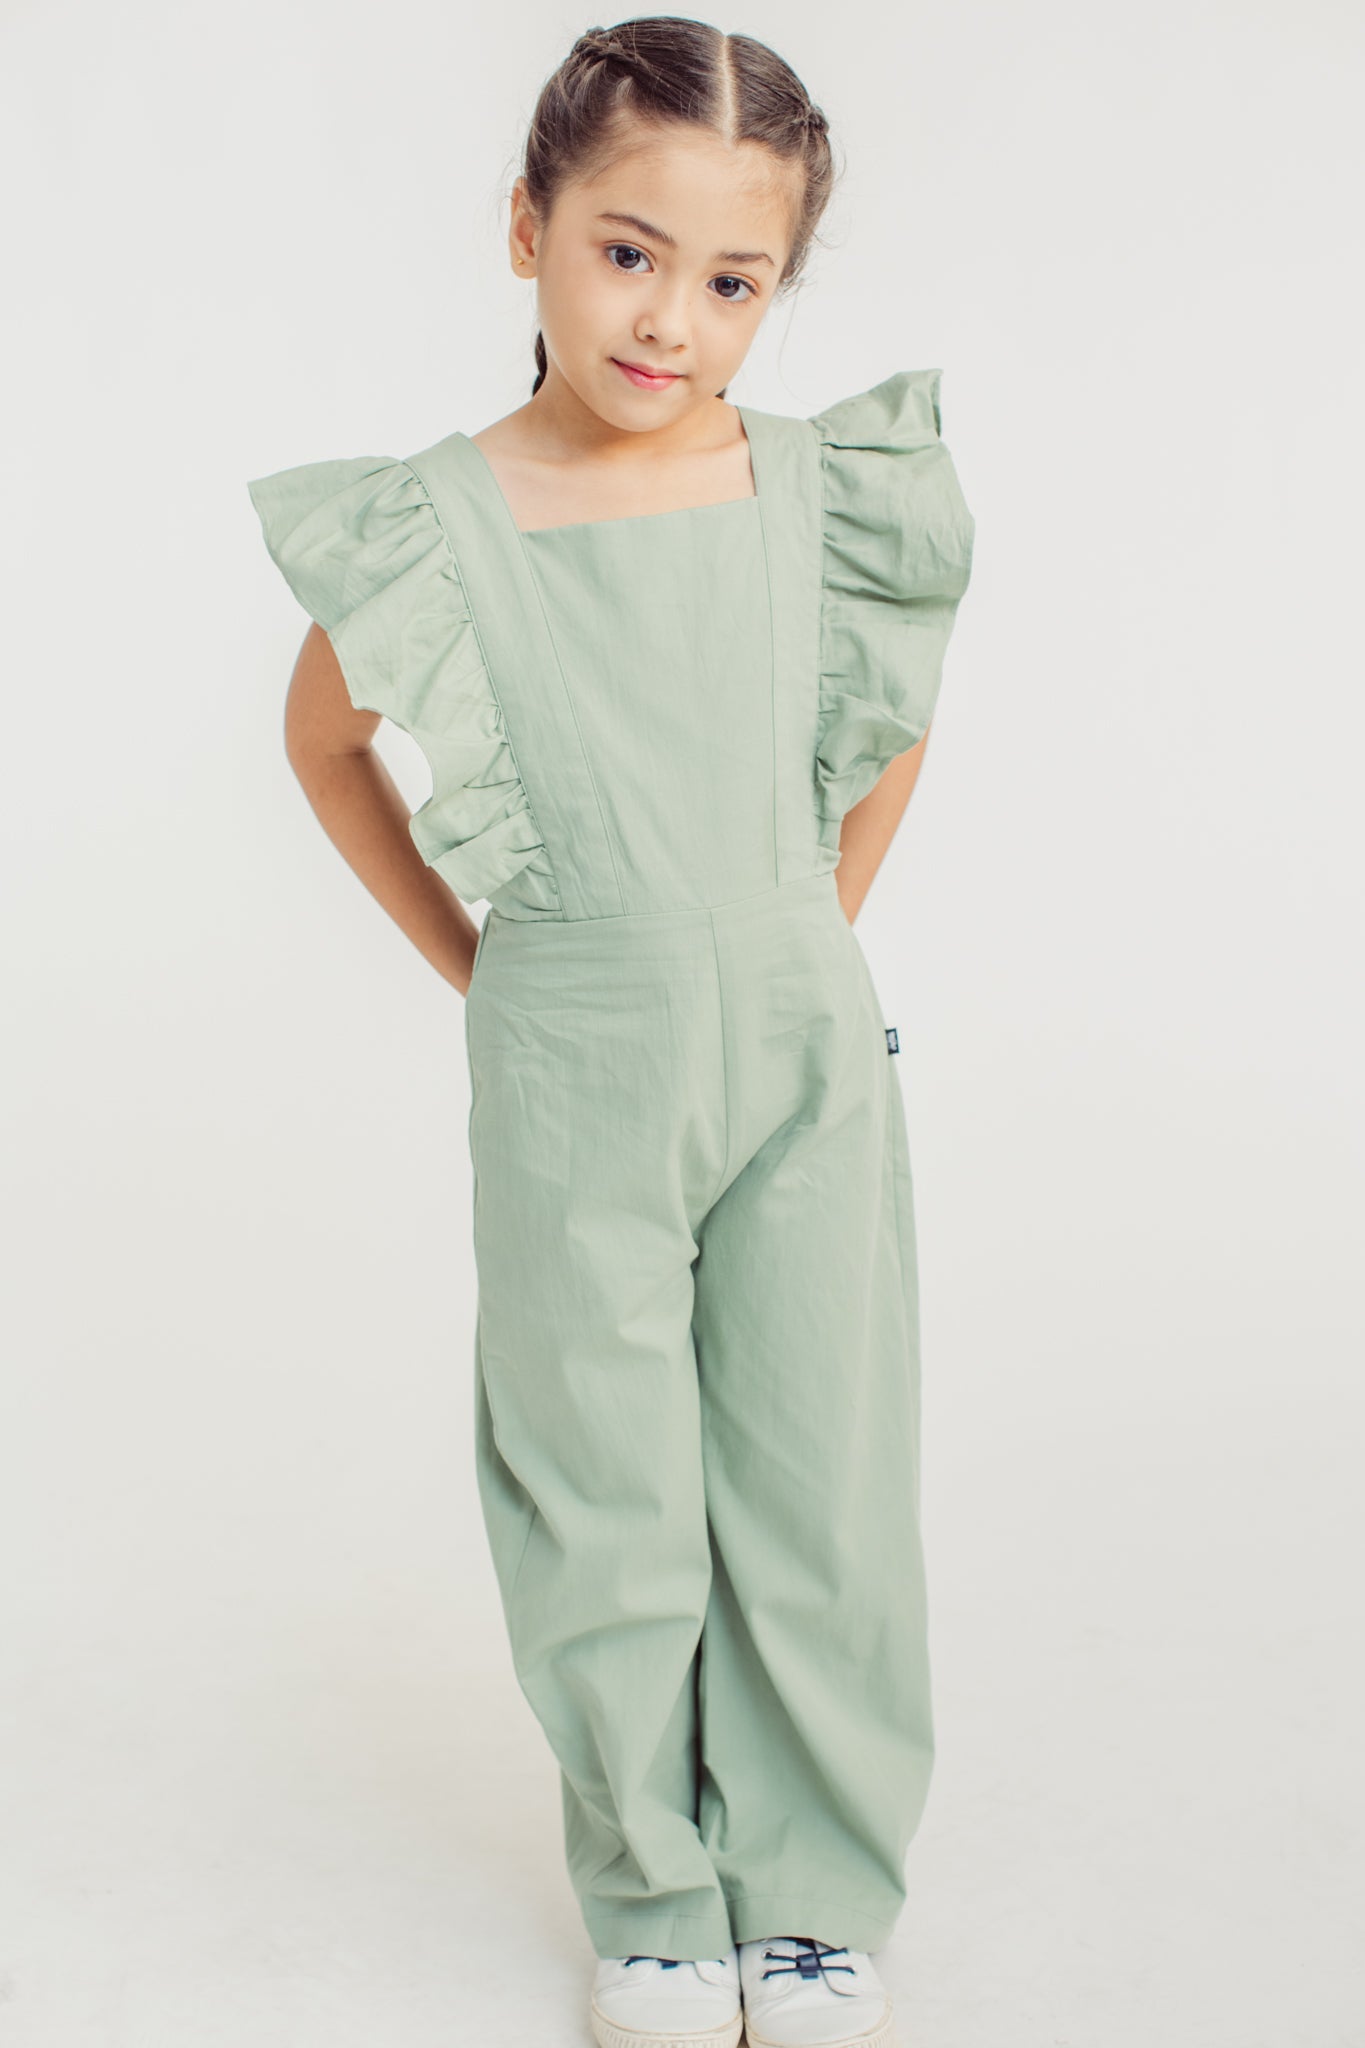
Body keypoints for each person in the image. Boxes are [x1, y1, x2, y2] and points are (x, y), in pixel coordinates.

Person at [246, 17, 976, 2048]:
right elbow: (322, 748)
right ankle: (654, 1891)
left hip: (799, 1052)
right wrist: (493, 971)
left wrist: (805, 931)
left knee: (821, 1472)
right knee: (601, 1485)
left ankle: (809, 1893)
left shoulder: (819, 494)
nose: (669, 319)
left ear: (776, 288)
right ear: (530, 231)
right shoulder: (439, 524)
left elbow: (890, 721)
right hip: (569, 1060)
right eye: (626, 253)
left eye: (732, 280)